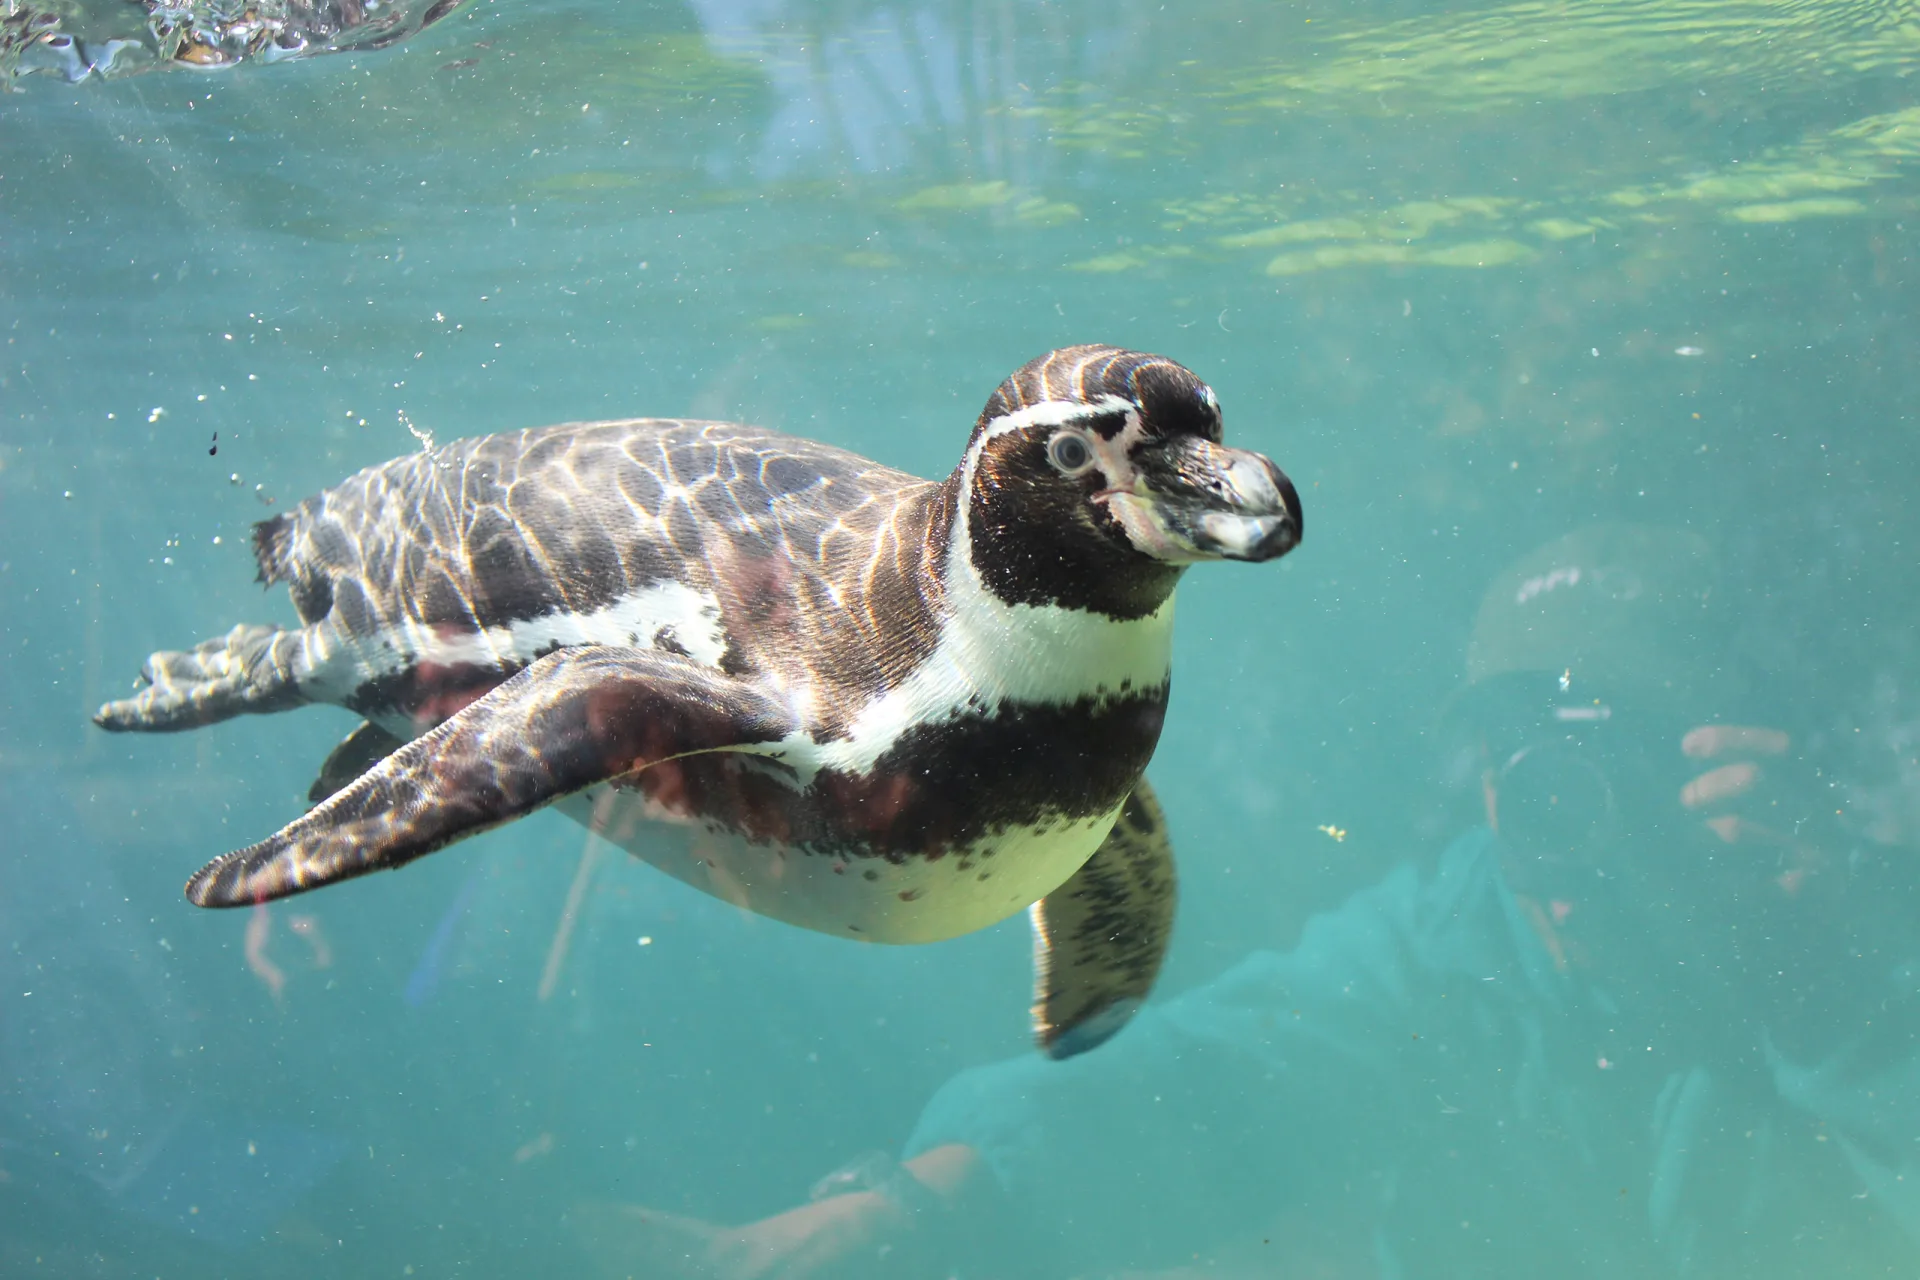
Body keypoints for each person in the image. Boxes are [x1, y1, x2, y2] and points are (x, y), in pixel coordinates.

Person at [577, 524, 1920, 1279]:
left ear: (1728, 750)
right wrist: (911, 1208)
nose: (1551, 797)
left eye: (1613, 747)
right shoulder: (1456, 938)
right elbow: (1215, 1073)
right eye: (1514, 745)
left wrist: (1833, 989)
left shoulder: (1859, 940)